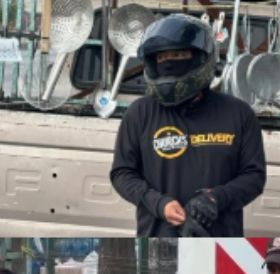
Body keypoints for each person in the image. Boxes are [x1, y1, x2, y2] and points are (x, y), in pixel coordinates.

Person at [110, 14, 266, 237]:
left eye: (178, 54)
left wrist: (217, 198)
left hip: (221, 245)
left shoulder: (239, 114)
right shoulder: (139, 113)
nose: (170, 61)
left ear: (200, 57)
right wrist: (158, 203)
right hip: (159, 240)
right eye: (163, 57)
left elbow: (254, 177)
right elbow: (122, 173)